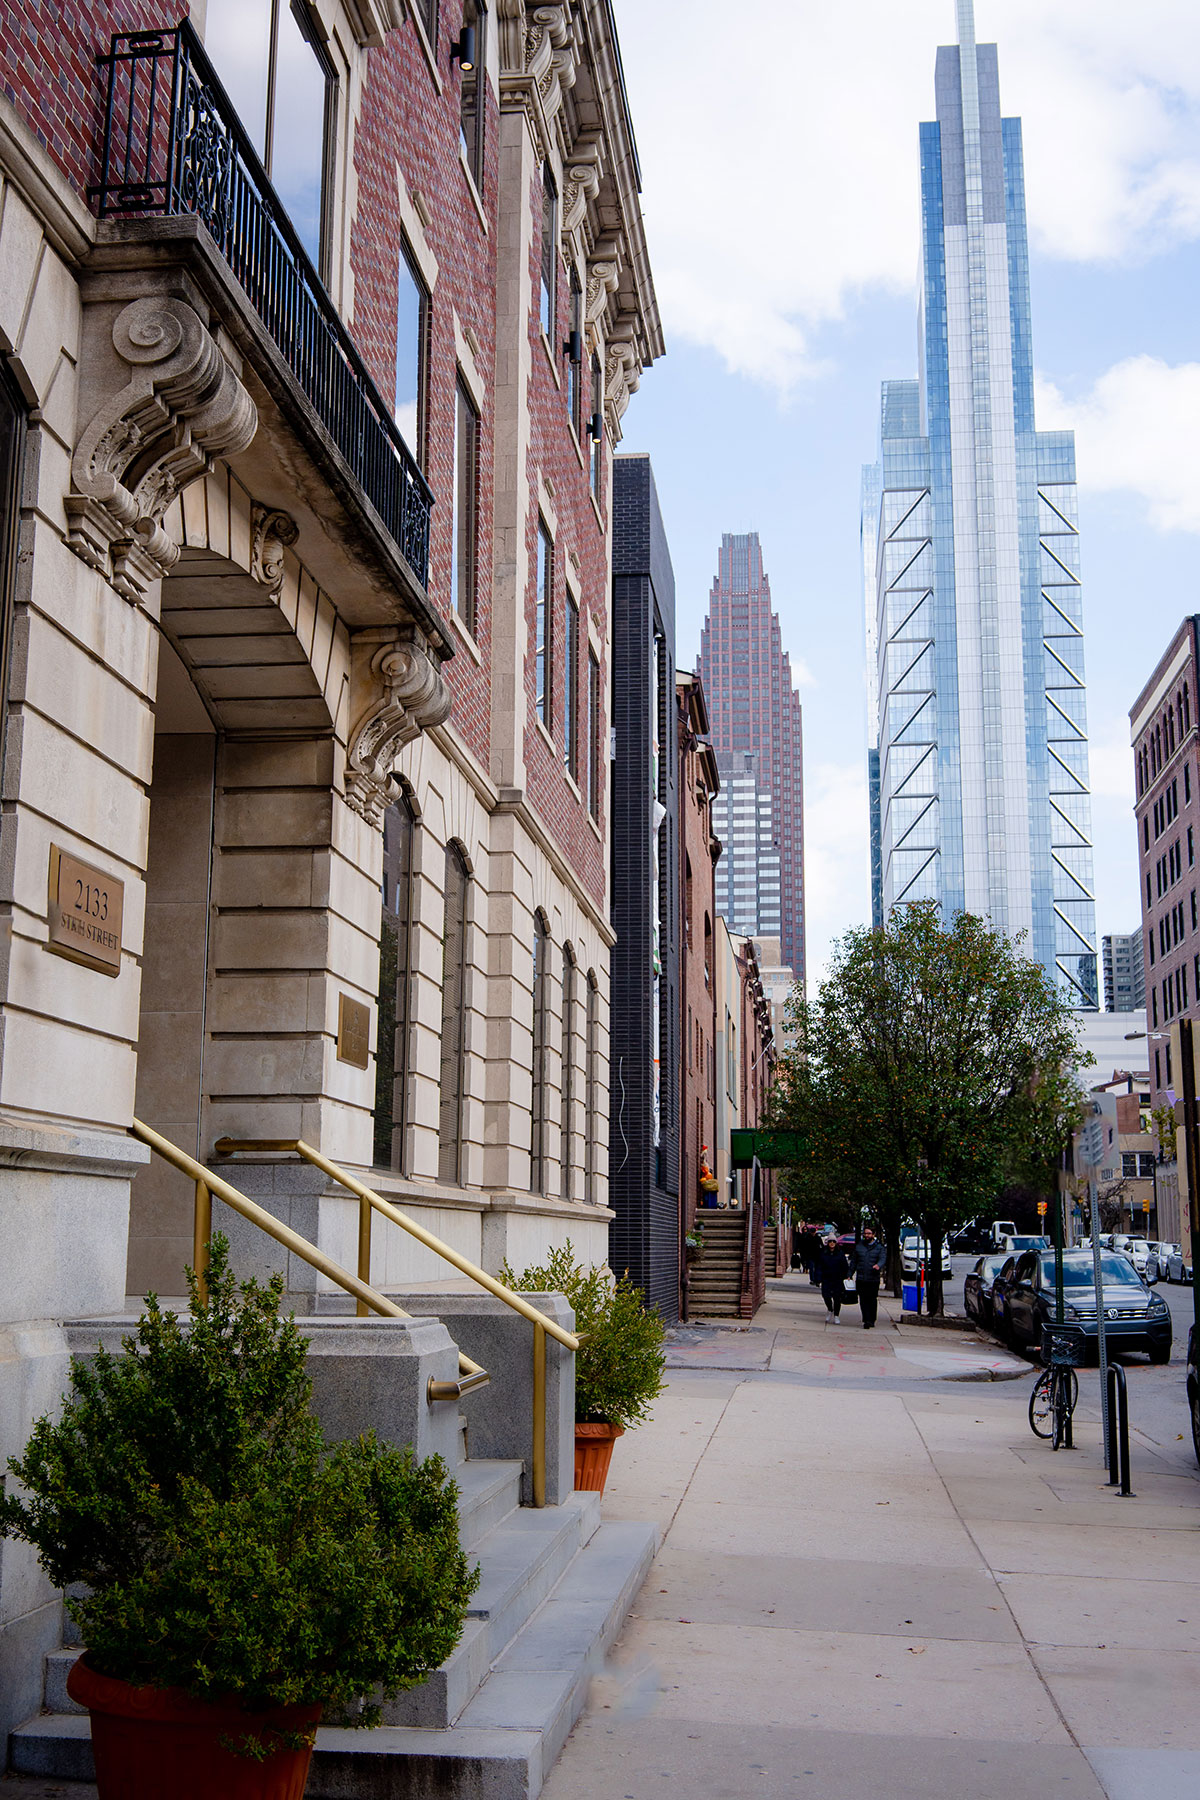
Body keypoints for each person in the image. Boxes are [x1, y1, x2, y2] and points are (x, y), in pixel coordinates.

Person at [851, 1225, 885, 1328]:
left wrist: (878, 1265)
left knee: (872, 1299)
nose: (867, 1235)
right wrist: (849, 1274)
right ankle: (866, 1319)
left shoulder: (879, 1247)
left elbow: (882, 1259)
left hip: (873, 1278)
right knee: (863, 1299)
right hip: (861, 1278)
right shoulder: (859, 1246)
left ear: (873, 1235)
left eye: (869, 1233)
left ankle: (871, 1319)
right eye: (865, 1233)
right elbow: (854, 1261)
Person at [816, 1234, 849, 1323]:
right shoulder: (823, 1253)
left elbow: (845, 1266)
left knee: (837, 1298)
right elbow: (819, 1266)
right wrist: (818, 1278)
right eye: (830, 1241)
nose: (832, 1243)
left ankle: (836, 1315)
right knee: (826, 1296)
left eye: (833, 1241)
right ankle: (830, 1309)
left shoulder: (840, 1254)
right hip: (826, 1278)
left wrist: (847, 1276)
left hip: (837, 1278)